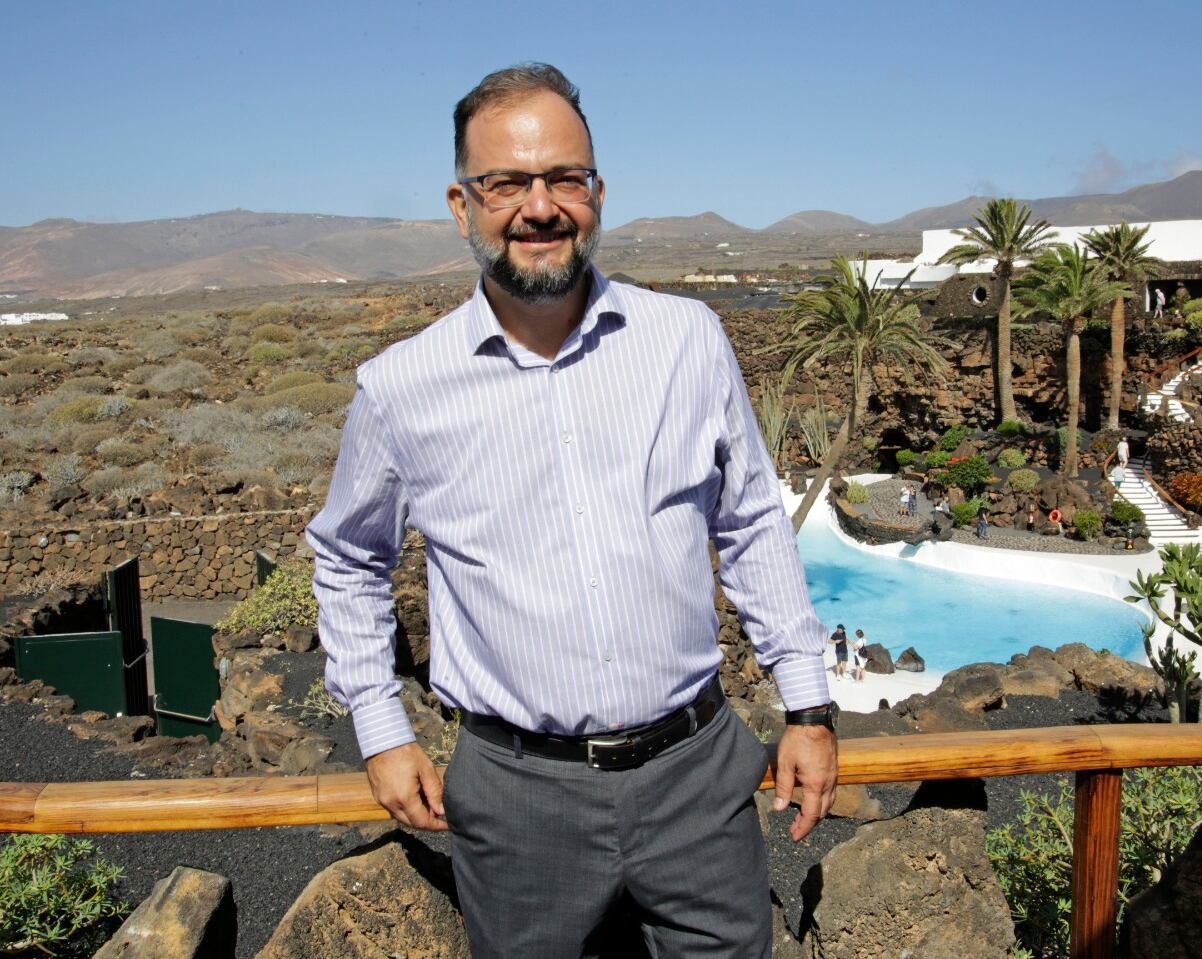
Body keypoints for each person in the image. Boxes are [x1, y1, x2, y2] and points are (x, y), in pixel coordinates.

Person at [307, 63, 837, 959]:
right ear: (461, 203)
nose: (540, 206)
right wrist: (379, 727)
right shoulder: (402, 387)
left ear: (598, 191)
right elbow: (348, 557)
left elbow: (748, 522)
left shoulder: (687, 341)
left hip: (696, 774)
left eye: (565, 178)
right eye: (507, 182)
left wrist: (809, 704)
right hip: (517, 798)